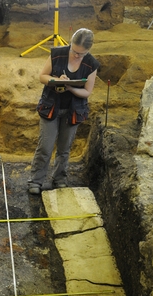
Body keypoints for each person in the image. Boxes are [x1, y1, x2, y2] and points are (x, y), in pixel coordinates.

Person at [28, 28, 99, 195]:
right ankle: (36, 180)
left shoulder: (91, 64)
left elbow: (87, 91)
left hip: (73, 110)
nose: (76, 56)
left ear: (88, 51)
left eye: (81, 54)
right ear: (70, 44)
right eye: (74, 51)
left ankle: (59, 178)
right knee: (45, 146)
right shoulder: (57, 54)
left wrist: (69, 87)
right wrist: (56, 81)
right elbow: (42, 76)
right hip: (51, 106)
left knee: (64, 147)